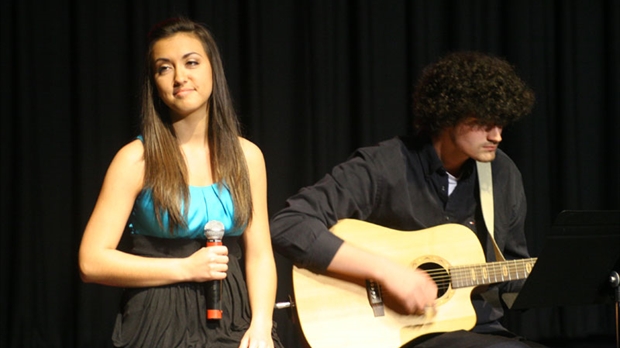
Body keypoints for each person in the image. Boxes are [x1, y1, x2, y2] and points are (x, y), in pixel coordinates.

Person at [270, 51, 546, 347]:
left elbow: (514, 276)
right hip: (396, 333)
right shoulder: (385, 165)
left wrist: (564, 279)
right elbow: (289, 225)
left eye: (501, 123)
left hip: (479, 330)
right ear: (448, 113)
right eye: (483, 122)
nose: (497, 136)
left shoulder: (502, 174)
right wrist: (387, 272)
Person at [79, 17, 283, 348]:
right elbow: (91, 260)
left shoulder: (247, 157)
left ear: (212, 69)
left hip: (234, 313)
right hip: (157, 318)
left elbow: (259, 253)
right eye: (164, 68)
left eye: (191, 62)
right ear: (154, 83)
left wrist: (261, 324)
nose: (180, 77)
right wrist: (187, 268)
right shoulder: (136, 159)